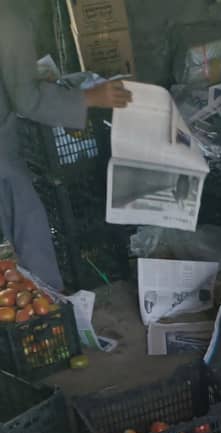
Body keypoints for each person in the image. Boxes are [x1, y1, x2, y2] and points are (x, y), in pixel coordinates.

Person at [0, 7, 131, 289]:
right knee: (27, 223)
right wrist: (89, 97)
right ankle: (48, 311)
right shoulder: (9, 19)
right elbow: (27, 99)